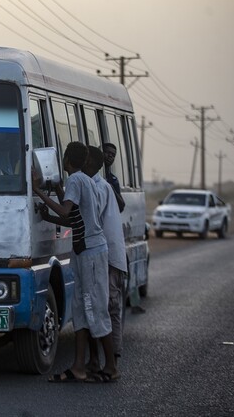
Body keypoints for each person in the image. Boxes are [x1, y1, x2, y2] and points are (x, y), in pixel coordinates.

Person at [33, 141, 119, 383]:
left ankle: (111, 366)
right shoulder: (83, 181)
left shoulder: (76, 180)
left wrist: (39, 191)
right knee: (80, 309)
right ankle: (79, 366)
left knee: (96, 309)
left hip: (91, 252)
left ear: (68, 159)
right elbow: (74, 218)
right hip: (83, 252)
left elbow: (65, 211)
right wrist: (52, 206)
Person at [83, 146, 127, 374]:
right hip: (103, 255)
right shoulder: (96, 185)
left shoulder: (99, 188)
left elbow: (87, 220)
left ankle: (112, 362)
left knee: (109, 307)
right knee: (95, 306)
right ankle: (96, 361)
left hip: (108, 256)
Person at [102, 142, 126, 213]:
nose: (110, 156)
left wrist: (111, 188)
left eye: (113, 155)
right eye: (107, 152)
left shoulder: (112, 179)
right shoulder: (90, 173)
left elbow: (121, 206)